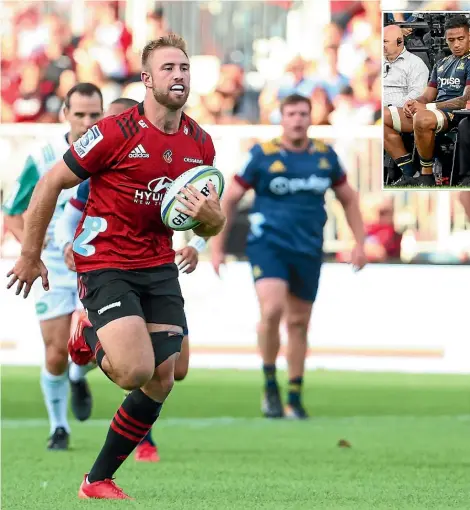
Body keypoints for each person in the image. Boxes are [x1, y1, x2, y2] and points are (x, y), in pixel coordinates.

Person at [6, 34, 225, 499]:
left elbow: (206, 221)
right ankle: (87, 337)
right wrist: (29, 254)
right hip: (107, 261)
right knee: (133, 372)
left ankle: (97, 480)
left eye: (184, 67)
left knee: (166, 377)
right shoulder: (113, 132)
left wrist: (212, 222)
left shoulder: (200, 144)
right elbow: (50, 183)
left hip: (158, 264)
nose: (179, 75)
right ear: (147, 79)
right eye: (168, 68)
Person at [54, 99, 205, 462]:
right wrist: (65, 245)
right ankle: (142, 442)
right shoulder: (101, 169)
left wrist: (196, 243)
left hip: (156, 268)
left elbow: (198, 211)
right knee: (139, 368)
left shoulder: (176, 157)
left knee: (176, 369)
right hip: (110, 270)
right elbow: (66, 215)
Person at [210, 93, 367, 420]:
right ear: (281, 118)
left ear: (311, 118)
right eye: (291, 113)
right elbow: (230, 199)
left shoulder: (325, 157)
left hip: (309, 248)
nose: (297, 119)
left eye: (303, 113)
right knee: (272, 309)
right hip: (268, 245)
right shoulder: (262, 155)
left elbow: (348, 199)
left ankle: (294, 394)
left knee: (299, 322)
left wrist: (359, 243)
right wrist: (217, 246)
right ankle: (270, 384)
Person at [2, 82, 104, 450]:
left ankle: (79, 374)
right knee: (56, 351)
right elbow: (12, 213)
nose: (88, 121)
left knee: (101, 343)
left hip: (103, 262)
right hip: (55, 270)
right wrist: (34, 253)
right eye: (80, 114)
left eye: (95, 114)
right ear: (65, 114)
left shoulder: (112, 153)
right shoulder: (45, 156)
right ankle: (58, 426)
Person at [384, 14, 470, 187]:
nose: (456, 44)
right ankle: (410, 173)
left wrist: (427, 106)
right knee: (383, 116)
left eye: (461, 38)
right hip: (433, 111)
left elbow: (464, 100)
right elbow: (428, 95)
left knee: (422, 117)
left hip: (456, 115)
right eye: (451, 40)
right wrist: (415, 102)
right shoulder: (442, 63)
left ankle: (427, 175)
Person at [383, 24, 429, 108]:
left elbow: (417, 94)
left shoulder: (416, 63)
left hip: (400, 111)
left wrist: (391, 106)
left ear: (399, 42)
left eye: (385, 42)